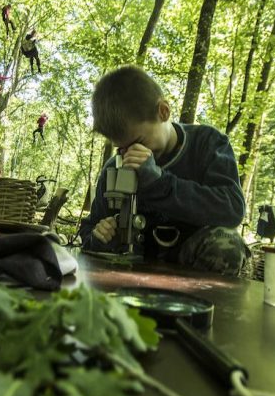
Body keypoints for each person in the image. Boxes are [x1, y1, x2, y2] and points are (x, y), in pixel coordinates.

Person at [79, 66, 249, 276]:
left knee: (227, 245)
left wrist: (158, 183)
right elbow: (89, 231)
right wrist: (101, 238)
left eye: (138, 142)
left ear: (163, 112)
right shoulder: (116, 166)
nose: (128, 154)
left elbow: (232, 209)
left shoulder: (208, 144)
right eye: (121, 149)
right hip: (133, 271)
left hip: (192, 269)